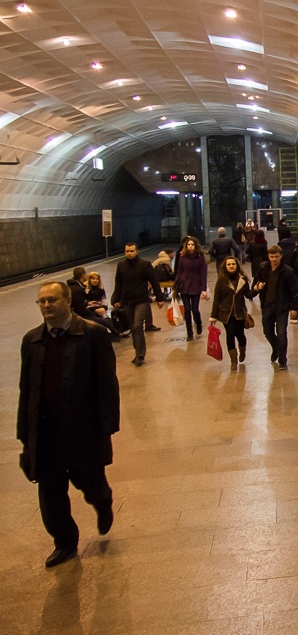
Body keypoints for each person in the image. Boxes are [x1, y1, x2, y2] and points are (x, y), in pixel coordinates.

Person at [18, 281, 119, 568]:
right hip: (46, 430)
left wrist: (107, 425)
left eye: (52, 300)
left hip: (82, 428)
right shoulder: (32, 340)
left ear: (67, 301)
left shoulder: (93, 334)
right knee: (50, 492)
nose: (47, 306)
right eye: (42, 302)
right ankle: (64, 542)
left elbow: (107, 383)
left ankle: (103, 502)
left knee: (90, 483)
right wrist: (25, 434)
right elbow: (27, 390)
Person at [111, 243, 164, 366]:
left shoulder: (144, 265)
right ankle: (137, 352)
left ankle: (140, 355)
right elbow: (118, 283)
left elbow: (154, 281)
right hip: (127, 301)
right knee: (133, 327)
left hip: (142, 300)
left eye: (131, 251)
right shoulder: (121, 265)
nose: (129, 253)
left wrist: (159, 298)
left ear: (136, 251)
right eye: (127, 251)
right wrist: (115, 299)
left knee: (137, 325)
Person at [252, 245, 298, 370]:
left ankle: (283, 360)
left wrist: (294, 309)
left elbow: (294, 292)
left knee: (282, 333)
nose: (274, 259)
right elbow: (255, 285)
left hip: (282, 307)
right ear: (268, 256)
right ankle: (276, 348)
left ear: (281, 256)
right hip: (267, 306)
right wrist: (257, 287)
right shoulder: (263, 268)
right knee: (267, 332)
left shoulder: (288, 272)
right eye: (271, 257)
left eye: (276, 257)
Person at [209, 256, 254, 371]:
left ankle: (242, 350)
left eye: (233, 264)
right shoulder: (221, 281)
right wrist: (213, 315)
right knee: (230, 334)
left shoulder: (242, 279)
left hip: (239, 313)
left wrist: (257, 289)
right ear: (225, 266)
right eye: (228, 264)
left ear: (237, 265)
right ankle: (233, 361)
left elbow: (248, 295)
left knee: (240, 334)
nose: (231, 266)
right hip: (226, 314)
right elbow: (217, 299)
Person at [173, 236, 209, 341]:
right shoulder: (182, 257)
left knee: (195, 309)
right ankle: (189, 332)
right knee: (187, 310)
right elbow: (179, 271)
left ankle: (198, 323)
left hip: (196, 285)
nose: (190, 247)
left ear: (196, 245)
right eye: (188, 245)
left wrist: (203, 288)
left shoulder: (200, 257)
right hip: (184, 286)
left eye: (192, 245)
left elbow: (203, 273)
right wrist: (175, 285)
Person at [67, 267, 118, 336]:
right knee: (102, 321)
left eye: (97, 279)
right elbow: (81, 308)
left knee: (107, 320)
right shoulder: (81, 289)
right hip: (84, 314)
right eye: (92, 278)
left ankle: (115, 332)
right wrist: (93, 312)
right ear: (83, 275)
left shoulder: (99, 289)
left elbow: (103, 299)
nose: (95, 280)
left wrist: (104, 307)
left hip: (94, 310)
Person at [277, 226, 298, 323]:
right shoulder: (296, 245)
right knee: (297, 293)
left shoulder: (279, 247)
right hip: (297, 273)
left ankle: (291, 316)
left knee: (286, 293)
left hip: (284, 273)